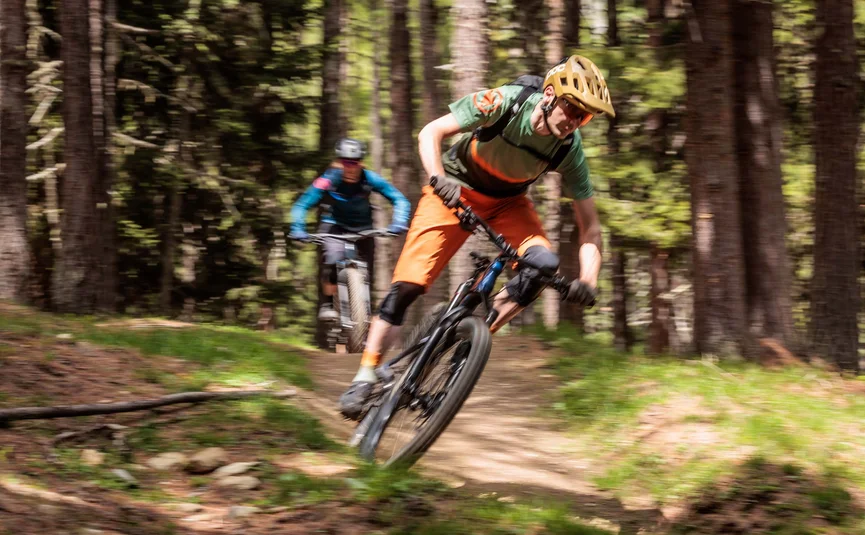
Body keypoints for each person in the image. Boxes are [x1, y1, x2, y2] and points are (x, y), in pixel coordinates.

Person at [338, 55, 614, 420]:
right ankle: (365, 373)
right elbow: (431, 132)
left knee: (542, 265)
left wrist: (588, 280)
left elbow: (590, 227)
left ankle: (469, 338)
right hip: (455, 189)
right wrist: (439, 178)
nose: (576, 121)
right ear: (549, 95)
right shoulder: (505, 102)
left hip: (508, 203)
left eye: (586, 116)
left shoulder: (568, 147)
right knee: (409, 285)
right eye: (572, 109)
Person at [289, 138, 411, 322]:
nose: (350, 167)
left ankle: (362, 314)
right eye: (345, 162)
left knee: (367, 271)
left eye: (354, 163)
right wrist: (298, 228)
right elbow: (302, 204)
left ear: (361, 163)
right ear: (339, 162)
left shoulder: (370, 179)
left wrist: (399, 223)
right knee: (332, 260)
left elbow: (399, 199)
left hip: (364, 228)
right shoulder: (327, 180)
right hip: (334, 227)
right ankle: (328, 304)